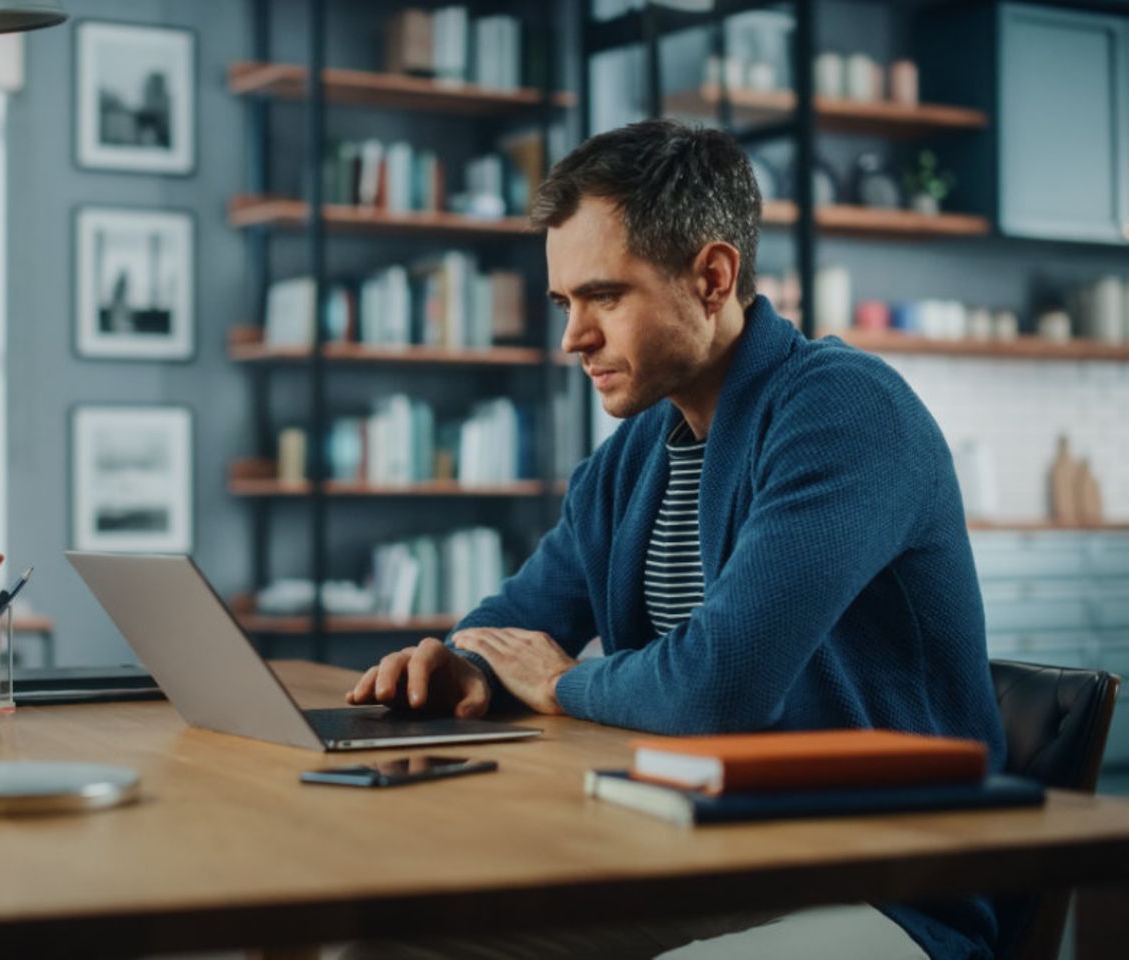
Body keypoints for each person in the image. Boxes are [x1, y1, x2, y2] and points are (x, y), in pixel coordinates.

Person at [345, 119, 1006, 960]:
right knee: (396, 944)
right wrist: (462, 665)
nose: (572, 338)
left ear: (712, 277)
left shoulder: (845, 412)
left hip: (886, 886)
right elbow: (517, 622)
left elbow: (718, 685)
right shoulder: (630, 461)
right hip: (703, 857)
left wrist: (563, 683)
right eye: (564, 304)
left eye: (604, 297)